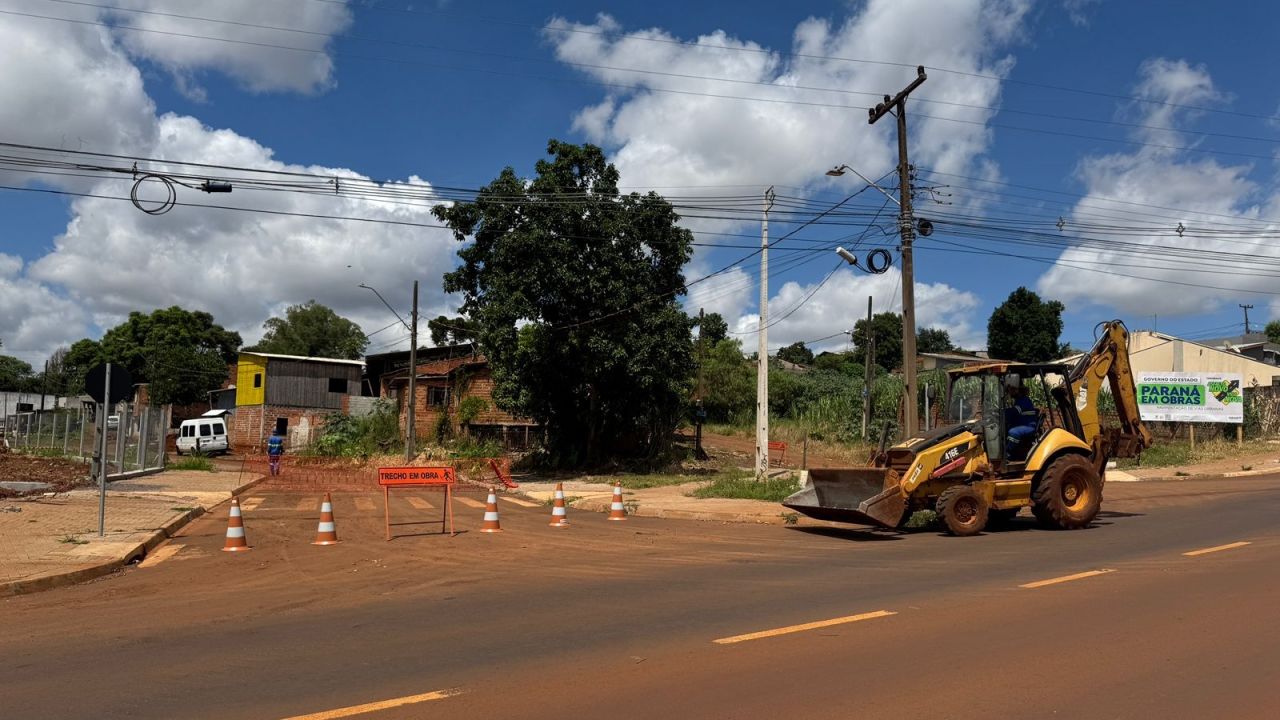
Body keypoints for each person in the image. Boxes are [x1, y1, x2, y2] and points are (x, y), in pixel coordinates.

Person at [1003, 377, 1038, 459]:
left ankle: (1008, 454)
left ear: (1017, 390)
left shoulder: (1024, 400)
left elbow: (1014, 412)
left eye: (1011, 390)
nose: (1009, 392)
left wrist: (1002, 412)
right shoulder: (1018, 400)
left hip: (1028, 426)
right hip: (1021, 424)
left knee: (1013, 432)